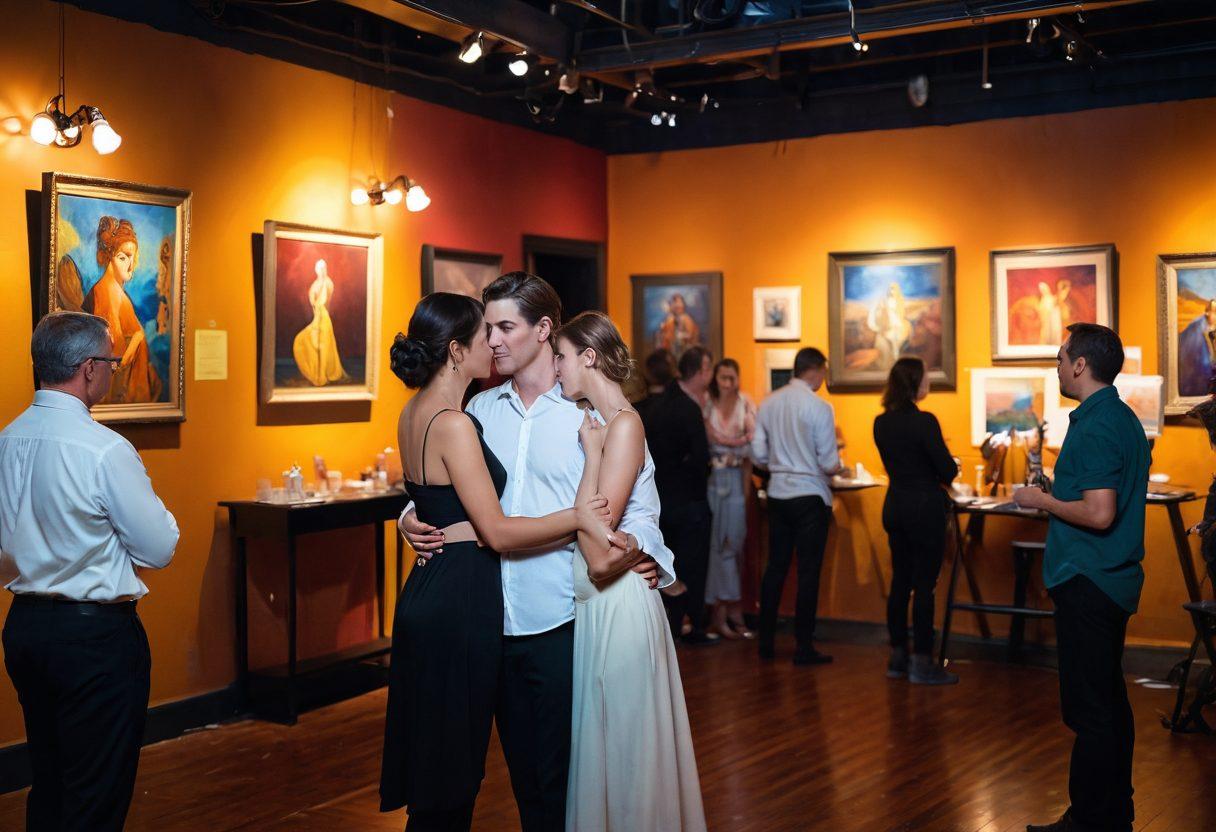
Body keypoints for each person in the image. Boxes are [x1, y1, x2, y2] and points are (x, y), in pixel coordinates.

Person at [398, 272, 669, 832]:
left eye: (504, 327)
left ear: (544, 329)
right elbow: (441, 486)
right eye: (486, 329)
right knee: (470, 779)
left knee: (554, 791)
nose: (492, 340)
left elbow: (640, 505)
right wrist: (410, 517)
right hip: (484, 623)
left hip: (560, 621)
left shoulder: (586, 414)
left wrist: (644, 547)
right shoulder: (476, 411)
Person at [0, 311, 180, 831]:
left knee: (50, 781)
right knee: (95, 795)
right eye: (111, 361)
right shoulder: (103, 450)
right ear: (87, 369)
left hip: (25, 629)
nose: (114, 370)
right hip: (94, 639)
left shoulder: (7, 441)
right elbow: (160, 546)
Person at [553, 311, 707, 832]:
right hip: (602, 607)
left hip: (617, 605)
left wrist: (593, 457)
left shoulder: (621, 427)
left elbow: (599, 556)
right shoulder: (603, 425)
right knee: (611, 752)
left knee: (626, 756)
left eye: (561, 356)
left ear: (589, 357)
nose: (555, 368)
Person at [1013, 323, 1150, 832]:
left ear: (1079, 365)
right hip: (1107, 579)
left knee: (1091, 709)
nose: (1056, 361)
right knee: (1109, 703)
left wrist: (1040, 499)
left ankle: (1089, 821)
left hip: (1089, 579)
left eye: (1061, 353)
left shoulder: (1095, 425)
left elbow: (1099, 514)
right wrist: (1055, 488)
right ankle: (1112, 813)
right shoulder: (1117, 416)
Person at [752, 347, 844, 665]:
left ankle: (765, 643)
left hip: (778, 493)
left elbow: (758, 455)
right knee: (808, 572)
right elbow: (829, 461)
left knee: (775, 568)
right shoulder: (820, 407)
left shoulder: (769, 403)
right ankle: (804, 647)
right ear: (816, 370)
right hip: (809, 496)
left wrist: (779, 464)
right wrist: (839, 466)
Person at [872, 356, 958, 685]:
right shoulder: (925, 422)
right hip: (924, 508)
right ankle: (923, 661)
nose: (929, 383)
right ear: (914, 383)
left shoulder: (881, 422)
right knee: (925, 586)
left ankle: (897, 656)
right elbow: (946, 470)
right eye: (925, 378)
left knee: (899, 583)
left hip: (895, 506)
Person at [641, 345, 718, 644]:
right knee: (693, 566)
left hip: (659, 498)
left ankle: (668, 627)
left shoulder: (647, 407)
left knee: (665, 562)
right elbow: (701, 457)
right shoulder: (687, 408)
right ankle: (693, 625)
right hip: (689, 500)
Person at [703, 358, 756, 640]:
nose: (727, 383)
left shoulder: (746, 405)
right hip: (712, 481)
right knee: (715, 545)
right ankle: (720, 612)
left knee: (732, 544)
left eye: (731, 378)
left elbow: (750, 456)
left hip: (735, 480)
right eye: (722, 377)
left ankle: (731, 607)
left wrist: (746, 492)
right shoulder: (707, 404)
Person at [84, 216, 161, 404]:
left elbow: (134, 336)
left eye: (132, 257)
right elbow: (115, 355)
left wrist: (137, 338)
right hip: (116, 392)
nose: (130, 264)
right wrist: (135, 342)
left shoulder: (116, 291)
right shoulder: (107, 291)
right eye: (123, 257)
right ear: (109, 257)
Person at [293, 258, 346, 386]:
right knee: (302, 340)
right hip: (318, 317)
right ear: (316, 270)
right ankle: (317, 373)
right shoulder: (316, 284)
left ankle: (321, 376)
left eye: (324, 268)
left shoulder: (327, 283)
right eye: (319, 268)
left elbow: (323, 301)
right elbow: (314, 301)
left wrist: (317, 303)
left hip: (323, 318)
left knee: (323, 346)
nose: (322, 271)